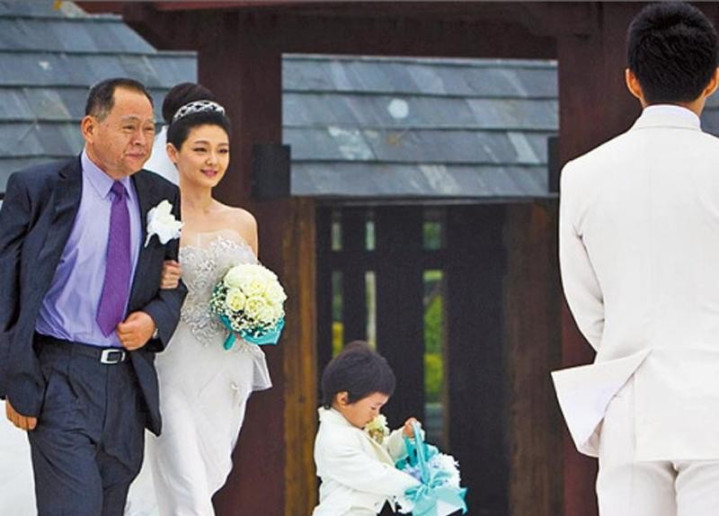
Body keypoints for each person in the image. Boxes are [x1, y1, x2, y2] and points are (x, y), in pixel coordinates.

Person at [552, 3, 719, 515]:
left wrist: (631, 343)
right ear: (713, 81)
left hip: (631, 398)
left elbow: (587, 304)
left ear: (631, 80)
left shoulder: (582, 175)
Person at [0, 78, 187, 515]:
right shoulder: (37, 189)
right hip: (60, 374)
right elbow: (5, 286)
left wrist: (155, 319)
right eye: (128, 127)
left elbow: (172, 284)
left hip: (126, 384)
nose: (141, 139)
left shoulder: (161, 197)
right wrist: (14, 381)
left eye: (148, 128)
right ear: (89, 128)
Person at [125, 83, 272, 516]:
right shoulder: (156, 220)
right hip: (171, 365)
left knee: (203, 480)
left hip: (226, 370)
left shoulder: (243, 222)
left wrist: (258, 309)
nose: (213, 161)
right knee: (187, 485)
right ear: (173, 153)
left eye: (222, 151)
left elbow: (255, 286)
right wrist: (158, 280)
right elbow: (129, 292)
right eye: (201, 150)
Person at [313, 341, 421, 516]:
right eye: (373, 407)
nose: (376, 414)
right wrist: (420, 487)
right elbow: (377, 475)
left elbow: (382, 453)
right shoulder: (334, 440)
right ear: (343, 399)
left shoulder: (352, 426)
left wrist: (405, 437)